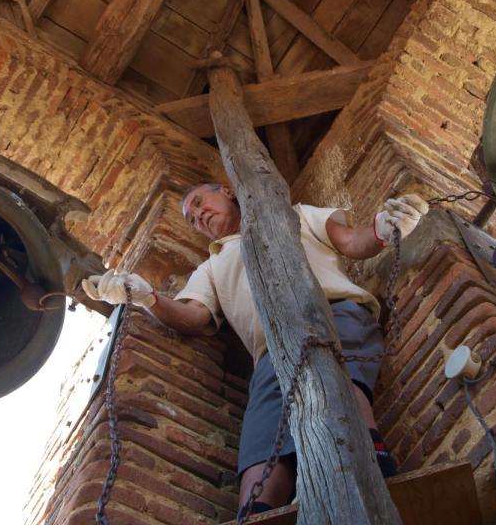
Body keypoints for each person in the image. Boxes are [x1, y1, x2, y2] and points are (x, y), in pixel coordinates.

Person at [82, 183, 429, 518]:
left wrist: (385, 228)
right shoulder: (211, 267)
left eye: (201, 202)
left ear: (227, 191)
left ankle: (377, 480)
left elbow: (353, 242)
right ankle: (258, 515)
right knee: (261, 451)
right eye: (190, 218)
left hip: (333, 313)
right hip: (269, 355)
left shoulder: (297, 216)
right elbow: (191, 316)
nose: (198, 215)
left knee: (341, 393)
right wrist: (146, 297)